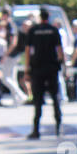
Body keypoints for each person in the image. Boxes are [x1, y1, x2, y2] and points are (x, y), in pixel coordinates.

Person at [25, 8, 64, 139]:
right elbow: (59, 49)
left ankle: (36, 130)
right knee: (55, 98)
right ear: (49, 16)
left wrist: (27, 68)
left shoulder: (33, 30)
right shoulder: (54, 30)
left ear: (39, 17)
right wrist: (61, 64)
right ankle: (59, 128)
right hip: (52, 68)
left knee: (38, 100)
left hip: (37, 69)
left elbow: (28, 50)